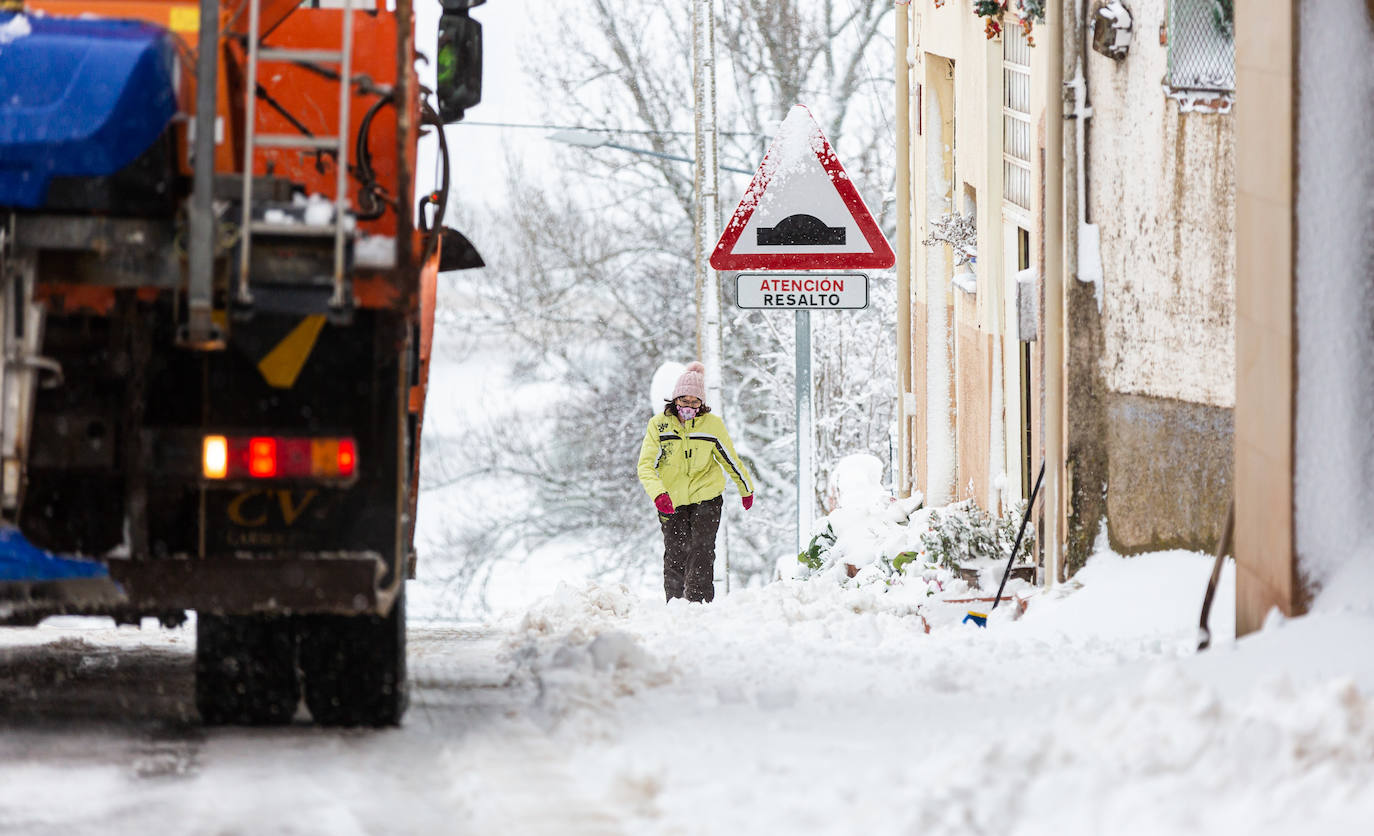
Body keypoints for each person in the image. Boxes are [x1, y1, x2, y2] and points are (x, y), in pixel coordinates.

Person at [636, 362, 754, 603]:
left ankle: (699, 605)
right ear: (674, 399)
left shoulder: (712, 426)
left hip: (707, 496)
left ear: (702, 404)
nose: (688, 406)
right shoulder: (658, 426)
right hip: (671, 499)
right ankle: (676, 605)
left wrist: (746, 489)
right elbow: (645, 466)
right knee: (676, 553)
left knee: (701, 551)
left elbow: (730, 460)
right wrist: (659, 494)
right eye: (684, 400)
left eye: (694, 402)